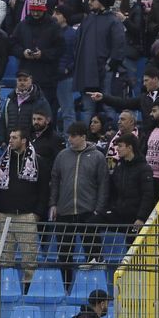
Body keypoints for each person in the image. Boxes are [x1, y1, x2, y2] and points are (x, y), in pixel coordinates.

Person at [48, 121, 109, 284]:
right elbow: (54, 181)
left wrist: (98, 210)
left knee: (94, 254)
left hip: (88, 212)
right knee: (65, 255)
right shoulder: (62, 156)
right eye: (69, 136)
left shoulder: (97, 156)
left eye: (73, 136)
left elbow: (103, 185)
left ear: (83, 136)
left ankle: (96, 289)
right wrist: (53, 204)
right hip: (64, 211)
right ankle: (66, 287)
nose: (70, 139)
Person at [0, 128, 50, 289]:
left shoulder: (38, 161)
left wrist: (38, 212)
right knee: (4, 257)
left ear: (24, 140)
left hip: (27, 215)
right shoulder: (3, 161)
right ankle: (4, 289)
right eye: (10, 137)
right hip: (4, 214)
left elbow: (44, 190)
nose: (10, 140)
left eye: (14, 137)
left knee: (30, 257)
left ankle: (28, 290)